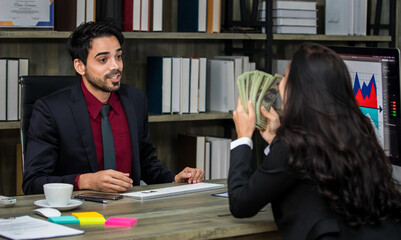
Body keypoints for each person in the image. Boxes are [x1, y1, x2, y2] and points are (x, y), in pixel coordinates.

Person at [228, 42, 401, 239]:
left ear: (298, 89)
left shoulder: (295, 145)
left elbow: (241, 204)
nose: (280, 82)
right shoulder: (359, 130)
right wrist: (276, 139)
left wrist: (243, 138)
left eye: (285, 76)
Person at [23, 22, 204, 195]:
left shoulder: (135, 100)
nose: (116, 66)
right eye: (103, 59)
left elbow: (145, 162)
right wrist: (86, 181)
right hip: (78, 214)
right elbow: (33, 182)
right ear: (80, 66)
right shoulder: (51, 110)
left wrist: (173, 180)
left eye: (118, 56)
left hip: (131, 210)